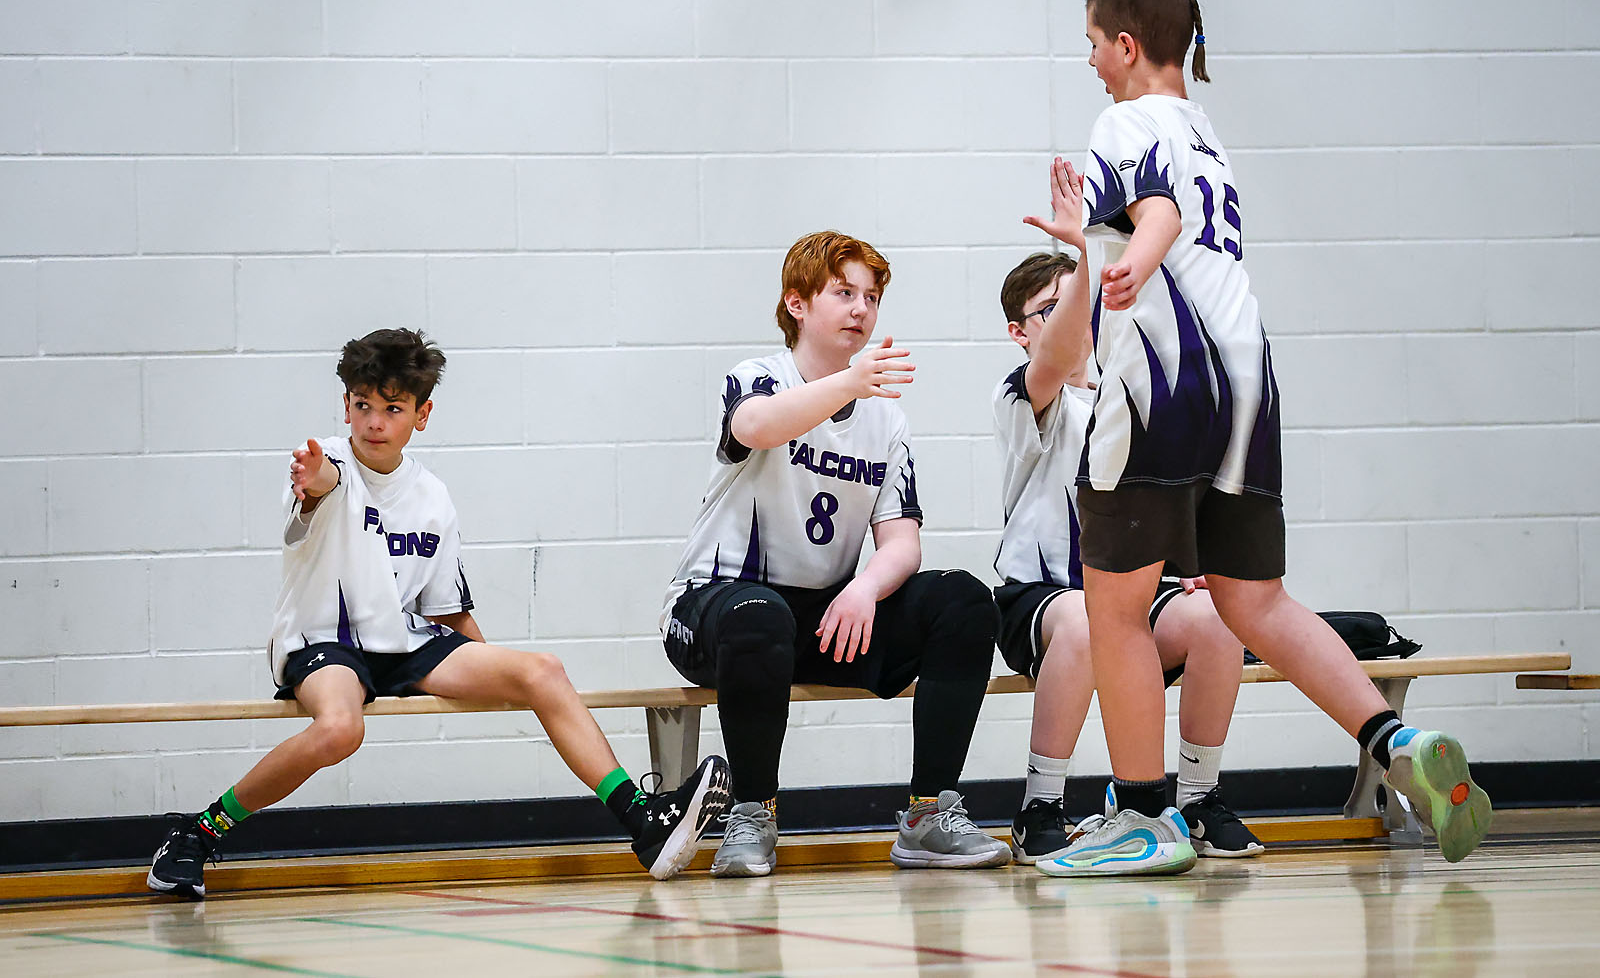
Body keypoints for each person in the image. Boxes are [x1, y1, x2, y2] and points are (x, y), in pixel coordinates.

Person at [1036, 0, 1490, 876]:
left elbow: (1157, 212)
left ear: (1126, 44)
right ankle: (1396, 741)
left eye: (1091, 42)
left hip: (1163, 380)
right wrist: (1108, 243)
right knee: (1255, 600)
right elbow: (1173, 213)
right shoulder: (1207, 132)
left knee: (1115, 607)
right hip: (1249, 379)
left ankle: (1146, 816)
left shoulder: (1123, 119)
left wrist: (1133, 262)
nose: (1088, 61)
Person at [148, 328, 729, 899]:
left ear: (421, 415)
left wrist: (500, 673)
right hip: (325, 643)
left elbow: (448, 613)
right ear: (345, 406)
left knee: (542, 670)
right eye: (362, 406)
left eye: (392, 408)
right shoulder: (325, 465)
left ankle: (642, 821)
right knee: (341, 728)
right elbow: (324, 483)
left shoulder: (432, 497)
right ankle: (199, 832)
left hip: (403, 641)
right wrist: (313, 476)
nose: (374, 422)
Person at [661, 231, 1010, 877]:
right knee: (759, 613)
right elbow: (757, 426)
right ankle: (752, 813)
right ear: (797, 303)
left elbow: (902, 542)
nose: (861, 309)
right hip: (717, 607)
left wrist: (864, 588)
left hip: (822, 616)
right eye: (844, 292)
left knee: (962, 600)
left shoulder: (885, 419)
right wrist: (849, 381)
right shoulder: (758, 377)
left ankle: (928, 814)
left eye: (871, 297)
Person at [993, 247, 1262, 864]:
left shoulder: (1136, 393)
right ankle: (1040, 805)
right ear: (1019, 332)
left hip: (1131, 600)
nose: (1074, 316)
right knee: (1088, 619)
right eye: (1052, 308)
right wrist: (1093, 248)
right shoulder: (1025, 393)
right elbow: (1057, 357)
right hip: (1041, 598)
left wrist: (1192, 563)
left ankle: (1197, 800)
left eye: (1080, 304)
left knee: (1217, 619)